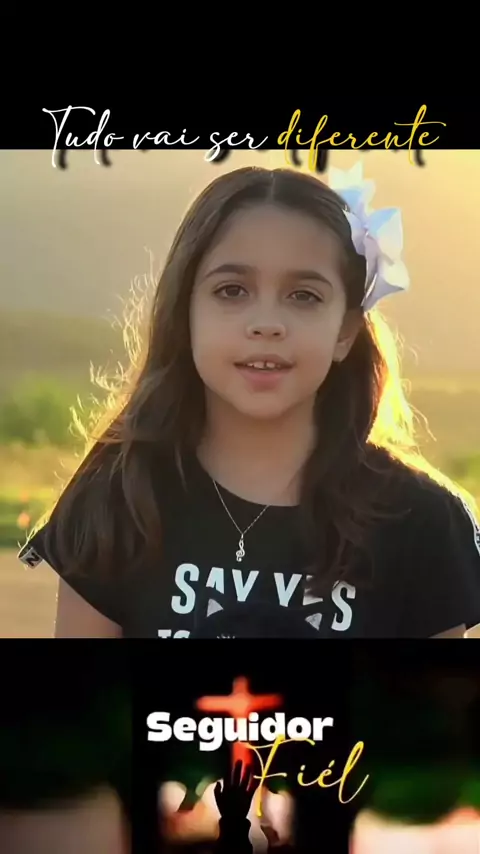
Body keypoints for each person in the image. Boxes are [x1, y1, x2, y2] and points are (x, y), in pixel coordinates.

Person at [18, 162, 480, 638]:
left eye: (303, 296)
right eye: (232, 290)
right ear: (185, 313)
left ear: (345, 331)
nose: (266, 324)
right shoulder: (118, 494)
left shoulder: (421, 520)